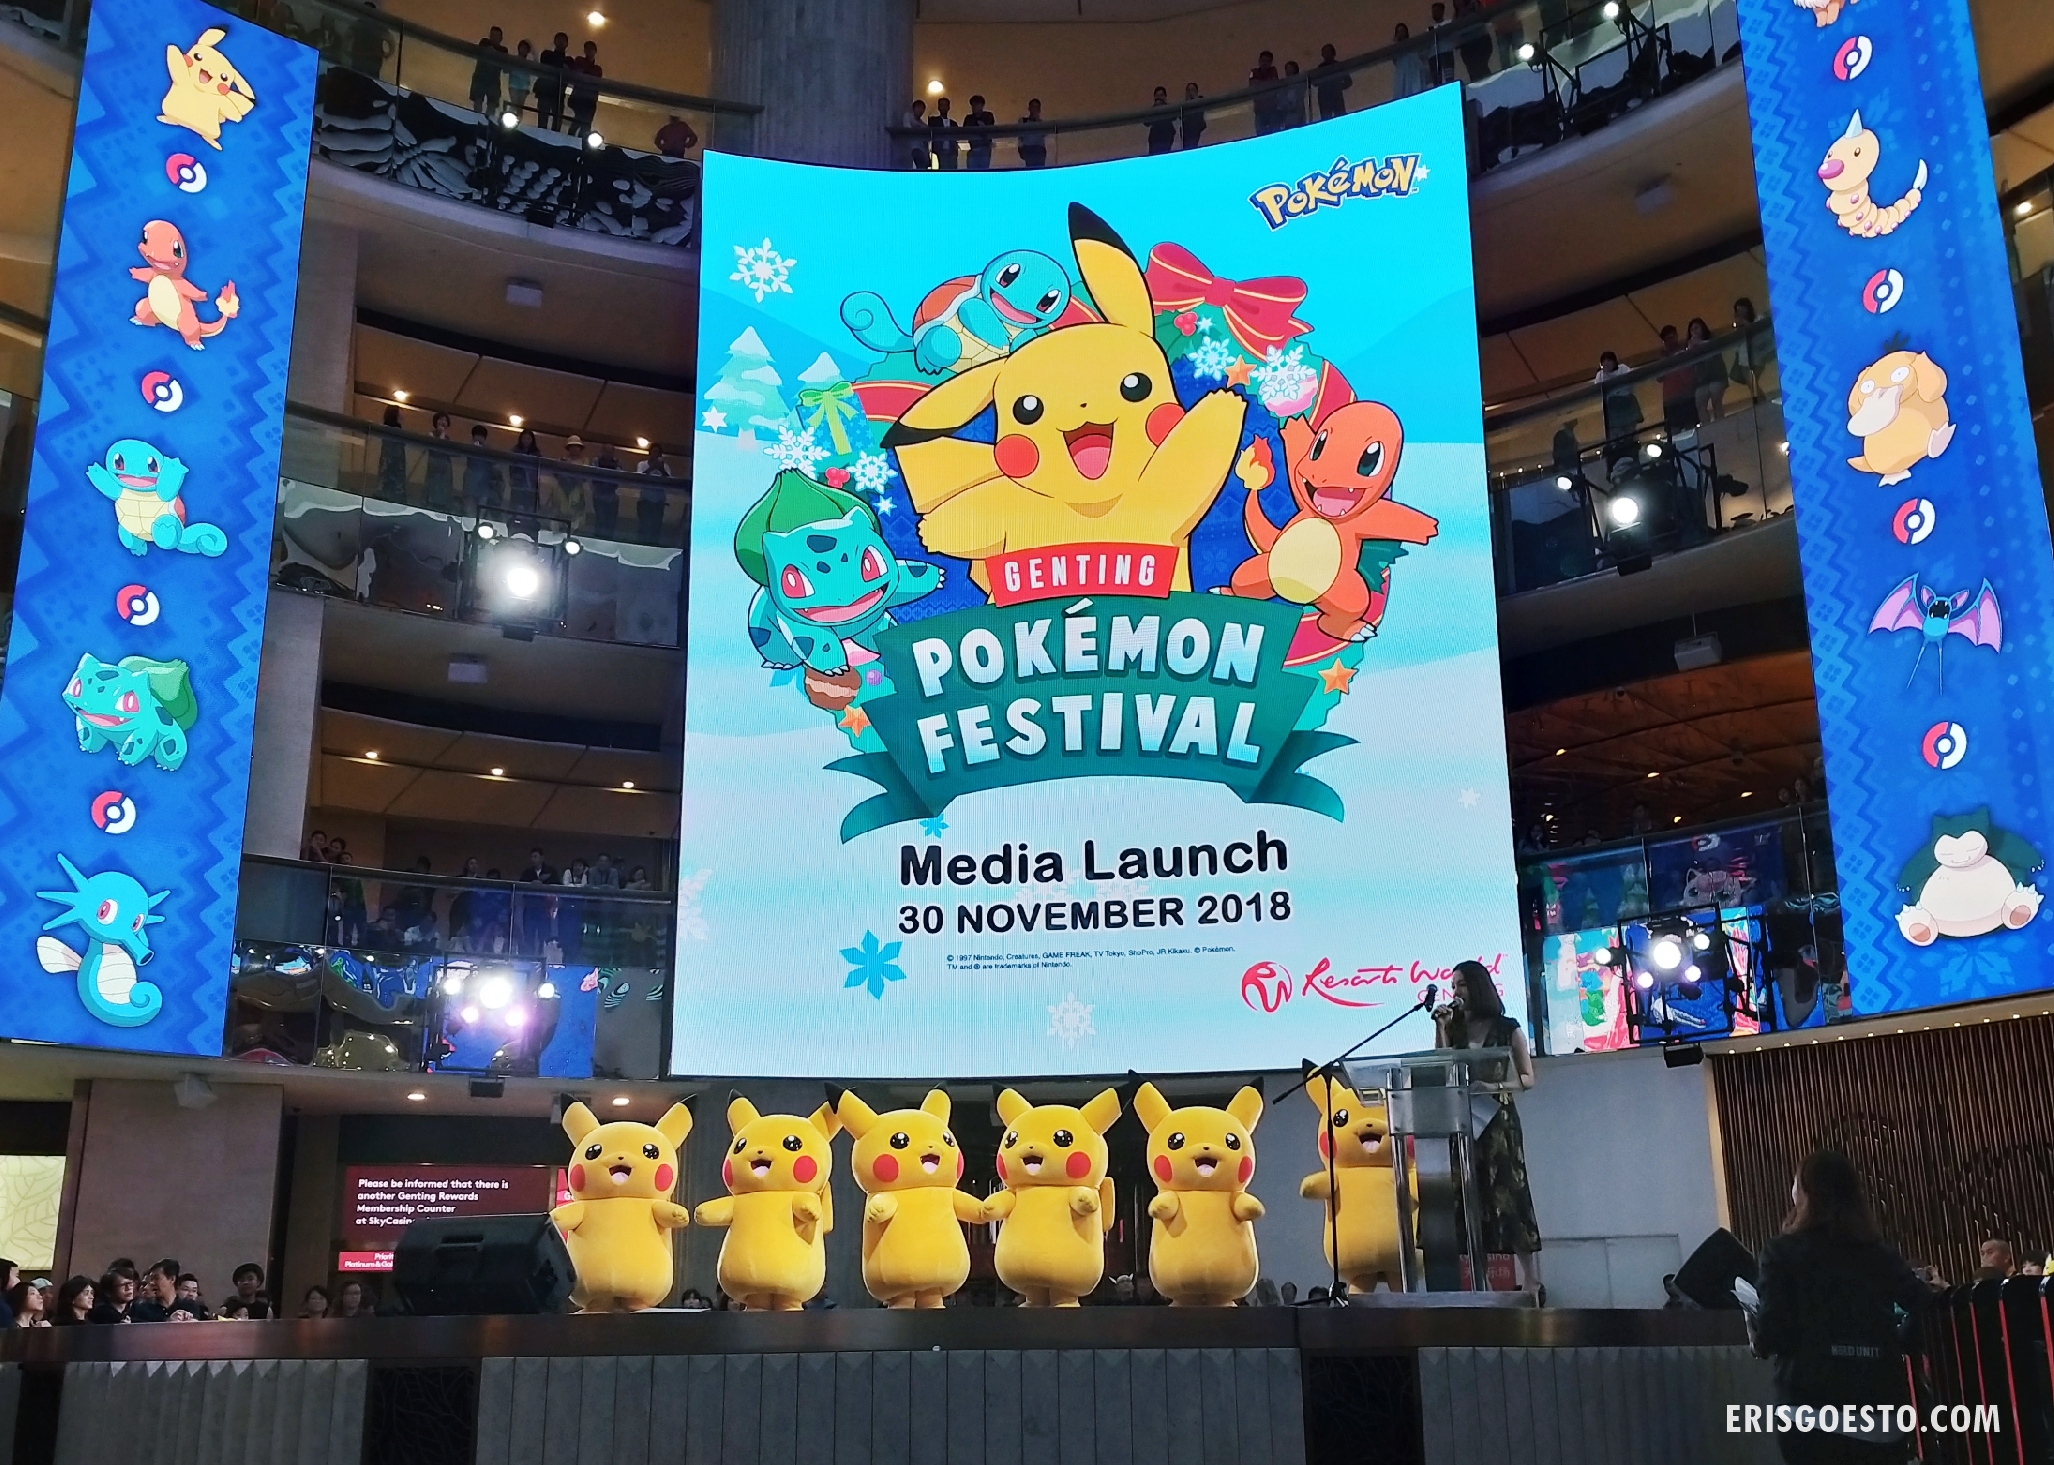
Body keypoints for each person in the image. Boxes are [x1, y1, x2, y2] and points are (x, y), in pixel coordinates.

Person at [1751, 1149, 1929, 1464]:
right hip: (1881, 1415)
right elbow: (1926, 1305)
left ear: (1804, 1191)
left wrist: (1757, 1337)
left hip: (1811, 1414)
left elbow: (1774, 1334)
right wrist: (1898, 1342)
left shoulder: (1782, 1252)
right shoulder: (1878, 1254)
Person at [1433, 959, 1543, 1293]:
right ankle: (1480, 1280)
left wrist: (1493, 1087)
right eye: (1453, 985)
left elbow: (1527, 1078)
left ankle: (1531, 1279)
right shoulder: (1454, 1028)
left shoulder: (1507, 1027)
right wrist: (1441, 1027)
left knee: (1509, 1192)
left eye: (1462, 984)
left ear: (1478, 986)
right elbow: (1441, 1066)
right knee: (1470, 1194)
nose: (1456, 991)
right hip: (1465, 1120)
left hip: (1498, 1120)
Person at [1595, 349, 1643, 451]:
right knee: (1617, 436)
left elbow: (1631, 380)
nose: (1607, 364)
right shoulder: (1600, 375)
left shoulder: (1623, 369)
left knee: (1630, 434)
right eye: (1604, 362)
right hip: (1612, 409)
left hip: (1627, 404)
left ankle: (1632, 449)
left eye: (1609, 360)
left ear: (1614, 361)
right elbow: (1597, 390)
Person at [1658, 323, 1698, 435]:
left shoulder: (1685, 352)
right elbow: (1659, 377)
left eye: (1671, 338)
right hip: (1672, 400)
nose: (1669, 342)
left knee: (1691, 428)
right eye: (1666, 340)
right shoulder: (1664, 357)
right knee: (1675, 431)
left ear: (1676, 336)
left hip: (1685, 396)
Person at [1731, 296, 1772, 401]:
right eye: (1738, 310)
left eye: (1742, 309)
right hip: (1743, 359)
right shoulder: (1738, 324)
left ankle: (1763, 403)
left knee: (1752, 383)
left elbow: (1761, 335)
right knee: (1751, 384)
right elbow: (1736, 342)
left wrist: (1746, 324)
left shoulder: (1759, 319)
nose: (1740, 312)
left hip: (1758, 356)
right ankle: (1761, 403)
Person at [1688, 317, 1725, 422]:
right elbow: (1690, 365)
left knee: (1716, 400)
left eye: (1696, 328)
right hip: (1701, 381)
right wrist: (1690, 350)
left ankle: (1721, 423)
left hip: (1716, 376)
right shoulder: (1691, 347)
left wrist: (1700, 343)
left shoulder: (1713, 340)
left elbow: (1715, 351)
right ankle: (1706, 426)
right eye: (1692, 330)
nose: (1694, 332)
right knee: (1700, 402)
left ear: (1703, 328)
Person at [551, 434, 591, 529]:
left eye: (576, 446)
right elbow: (555, 473)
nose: (574, 449)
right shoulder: (562, 459)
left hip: (576, 489)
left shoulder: (584, 461)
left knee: (575, 512)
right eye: (572, 446)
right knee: (558, 510)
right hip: (562, 488)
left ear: (580, 448)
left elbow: (584, 476)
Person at [535, 32, 571, 130]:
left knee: (556, 123)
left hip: (558, 94)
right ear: (555, 42)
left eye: (563, 41)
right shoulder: (547, 54)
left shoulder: (568, 60)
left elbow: (570, 70)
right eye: (559, 40)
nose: (561, 42)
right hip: (546, 91)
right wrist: (562, 66)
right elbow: (546, 61)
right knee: (543, 121)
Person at [468, 26, 506, 117]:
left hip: (493, 80)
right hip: (480, 77)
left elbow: (505, 66)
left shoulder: (503, 50)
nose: (494, 38)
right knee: (478, 100)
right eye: (492, 35)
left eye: (496, 36)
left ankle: (487, 121)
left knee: (492, 103)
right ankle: (477, 119)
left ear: (501, 38)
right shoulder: (484, 42)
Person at [567, 41, 602, 138]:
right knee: (581, 120)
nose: (589, 51)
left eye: (591, 48)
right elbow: (577, 72)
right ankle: (572, 136)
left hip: (589, 99)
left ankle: (578, 138)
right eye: (587, 48)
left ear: (595, 51)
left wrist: (585, 72)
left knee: (586, 123)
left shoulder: (597, 68)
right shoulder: (579, 60)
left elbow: (595, 76)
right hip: (579, 97)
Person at [464, 424, 502, 512]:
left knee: (482, 507)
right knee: (469, 507)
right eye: (477, 435)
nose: (479, 438)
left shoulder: (488, 449)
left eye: (481, 436)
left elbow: (494, 462)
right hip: (471, 480)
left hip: (484, 482)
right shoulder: (469, 447)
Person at [1455, 0, 1494, 81]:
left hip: (1480, 40)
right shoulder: (1456, 14)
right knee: (1472, 70)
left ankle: (1488, 83)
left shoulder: (1473, 5)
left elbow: (1483, 17)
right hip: (1466, 45)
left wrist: (1474, 6)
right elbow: (1454, 29)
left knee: (1481, 66)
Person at [423, 412, 455, 512]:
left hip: (445, 470)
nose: (443, 422)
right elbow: (437, 449)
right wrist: (441, 434)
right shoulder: (431, 435)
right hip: (435, 468)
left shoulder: (447, 438)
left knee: (444, 491)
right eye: (440, 419)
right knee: (433, 491)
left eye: (445, 420)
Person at [1312, 44, 1352, 119]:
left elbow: (1348, 81)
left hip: (1336, 97)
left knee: (1340, 118)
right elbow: (1315, 83)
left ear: (1333, 53)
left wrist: (1338, 87)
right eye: (1324, 53)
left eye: (1328, 52)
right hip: (1324, 98)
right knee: (1326, 118)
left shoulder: (1338, 65)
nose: (1326, 55)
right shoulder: (1320, 68)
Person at [377, 403, 407, 502]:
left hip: (391, 468)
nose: (402, 413)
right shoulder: (394, 431)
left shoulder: (387, 430)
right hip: (393, 469)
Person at [1391, 23, 1429, 97]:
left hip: (1414, 71)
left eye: (1402, 30)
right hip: (1403, 72)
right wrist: (1395, 43)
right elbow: (1394, 60)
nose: (1401, 33)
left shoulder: (1413, 44)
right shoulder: (1395, 48)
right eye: (1398, 31)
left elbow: (1422, 55)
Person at [505, 39, 536, 124]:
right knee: (514, 103)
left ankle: (517, 122)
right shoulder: (513, 59)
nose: (523, 50)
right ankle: (509, 122)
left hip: (524, 85)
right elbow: (506, 69)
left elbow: (536, 64)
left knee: (519, 106)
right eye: (522, 47)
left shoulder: (528, 63)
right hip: (514, 83)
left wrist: (534, 52)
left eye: (525, 48)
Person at [1249, 51, 1280, 134]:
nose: (1265, 63)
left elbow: (1274, 84)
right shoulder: (1253, 72)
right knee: (1260, 134)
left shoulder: (1273, 70)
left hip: (1272, 109)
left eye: (1268, 61)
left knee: (1275, 133)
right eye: (1263, 61)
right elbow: (1253, 85)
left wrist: (1260, 84)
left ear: (1271, 63)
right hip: (1260, 110)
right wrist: (1267, 83)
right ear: (1259, 61)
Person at [962, 95, 995, 170]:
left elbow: (989, 130)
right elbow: (965, 132)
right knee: (972, 171)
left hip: (984, 148)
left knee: (983, 171)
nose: (974, 107)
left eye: (977, 105)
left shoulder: (988, 116)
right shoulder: (969, 118)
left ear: (982, 105)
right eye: (973, 105)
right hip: (973, 148)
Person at [926, 96, 958, 170]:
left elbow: (957, 136)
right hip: (939, 151)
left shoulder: (953, 123)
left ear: (948, 107)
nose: (943, 107)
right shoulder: (934, 121)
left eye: (945, 105)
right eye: (941, 105)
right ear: (938, 107)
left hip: (952, 152)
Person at [1017, 98, 1047, 168]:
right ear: (1029, 108)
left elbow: (1044, 134)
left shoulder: (1042, 124)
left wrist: (1036, 120)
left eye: (1036, 107)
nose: (1034, 109)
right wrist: (1020, 147)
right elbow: (1020, 136)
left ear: (1039, 110)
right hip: (1028, 149)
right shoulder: (1023, 121)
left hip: (1039, 150)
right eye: (1033, 107)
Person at [1145, 86, 1176, 155]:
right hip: (1155, 140)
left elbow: (1174, 117)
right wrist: (1154, 109)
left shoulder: (1170, 108)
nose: (1159, 98)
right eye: (1157, 96)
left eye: (1161, 95)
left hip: (1167, 138)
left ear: (1165, 97)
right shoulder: (1152, 110)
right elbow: (1146, 123)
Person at [1178, 83, 1205, 150]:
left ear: (1197, 92)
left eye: (1193, 90)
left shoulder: (1202, 106)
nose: (1190, 93)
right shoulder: (1181, 110)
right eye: (1188, 91)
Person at [903, 98, 929, 169]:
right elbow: (908, 129)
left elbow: (927, 136)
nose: (920, 111)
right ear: (913, 108)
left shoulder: (923, 124)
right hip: (912, 147)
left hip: (922, 149)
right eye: (918, 108)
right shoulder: (908, 116)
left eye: (922, 109)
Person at [1280, 61, 1306, 127]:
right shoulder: (1284, 83)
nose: (1288, 70)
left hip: (1297, 111)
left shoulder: (1300, 82)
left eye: (1290, 68)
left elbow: (1301, 94)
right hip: (1287, 112)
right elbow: (1282, 97)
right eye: (1287, 68)